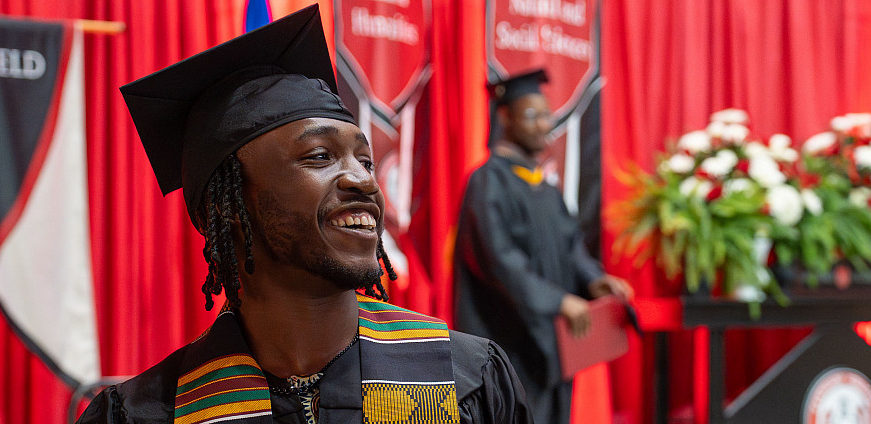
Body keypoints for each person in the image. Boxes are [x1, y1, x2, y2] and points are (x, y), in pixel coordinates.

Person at [77, 6, 531, 424]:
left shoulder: (466, 379)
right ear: (227, 207)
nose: (364, 181)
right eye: (319, 156)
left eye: (365, 161)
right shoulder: (148, 413)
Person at [453, 69, 634, 424]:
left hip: (552, 347)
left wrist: (594, 279)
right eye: (531, 115)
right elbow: (500, 261)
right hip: (505, 345)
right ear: (505, 116)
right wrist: (559, 300)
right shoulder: (487, 183)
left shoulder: (547, 188)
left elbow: (572, 246)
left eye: (546, 114)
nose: (542, 124)